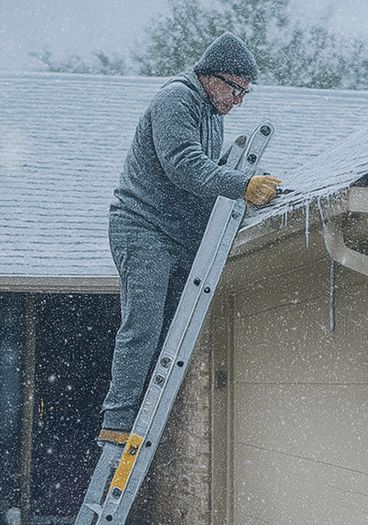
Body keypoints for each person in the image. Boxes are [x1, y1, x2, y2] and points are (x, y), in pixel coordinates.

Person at [75, 33, 281, 522]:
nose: (239, 100)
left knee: (173, 331)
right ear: (211, 76)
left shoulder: (212, 114)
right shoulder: (176, 100)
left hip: (177, 234)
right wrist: (242, 185)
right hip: (142, 225)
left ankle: (139, 409)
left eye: (246, 93)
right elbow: (184, 167)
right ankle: (119, 422)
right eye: (235, 89)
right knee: (142, 326)